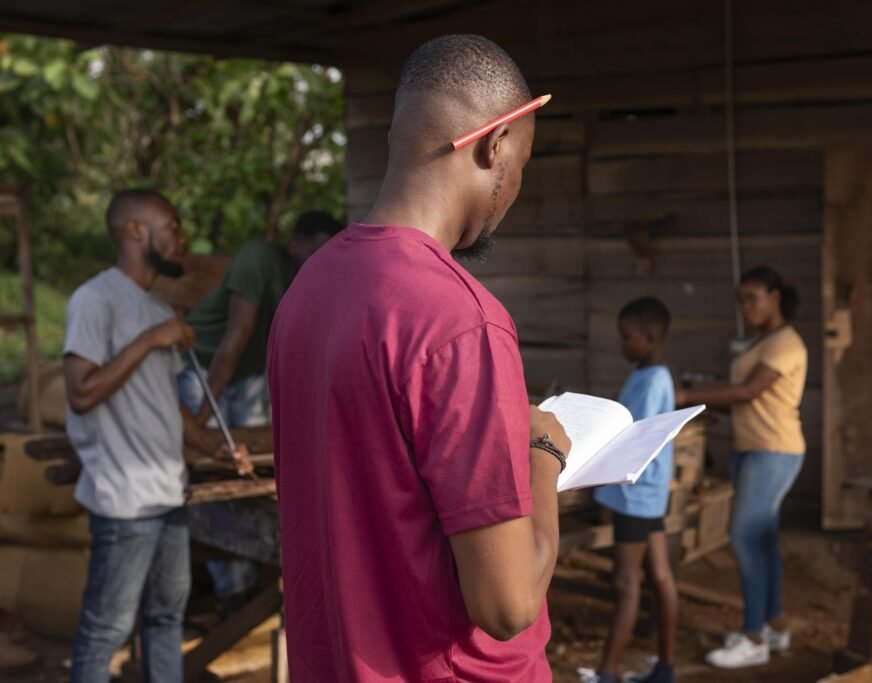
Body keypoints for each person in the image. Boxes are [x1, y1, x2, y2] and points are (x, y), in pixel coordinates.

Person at [268, 34, 572, 681]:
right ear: (495, 146)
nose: (515, 187)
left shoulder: (307, 291)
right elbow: (507, 602)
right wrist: (543, 456)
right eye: (523, 162)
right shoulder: (463, 320)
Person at [63, 189, 252, 683]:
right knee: (105, 631)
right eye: (172, 226)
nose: (182, 239)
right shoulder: (95, 300)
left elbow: (165, 407)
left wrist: (218, 448)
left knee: (167, 619)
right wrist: (151, 341)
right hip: (124, 503)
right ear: (135, 232)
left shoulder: (154, 310)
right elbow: (81, 393)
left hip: (169, 493)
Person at [179, 210, 343, 612]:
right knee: (208, 465)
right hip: (201, 366)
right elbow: (236, 337)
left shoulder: (318, 279)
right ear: (294, 247)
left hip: (248, 375)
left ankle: (251, 583)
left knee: (249, 469)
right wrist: (202, 415)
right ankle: (230, 592)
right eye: (318, 250)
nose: (325, 259)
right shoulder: (257, 257)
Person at [676, 266, 807, 669]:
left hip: (773, 452)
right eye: (741, 300)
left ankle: (753, 639)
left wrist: (687, 395)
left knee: (744, 537)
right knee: (763, 540)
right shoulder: (762, 341)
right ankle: (773, 627)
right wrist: (713, 409)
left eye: (753, 298)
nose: (746, 307)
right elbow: (751, 403)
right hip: (751, 448)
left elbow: (749, 390)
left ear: (775, 296)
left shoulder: (786, 343)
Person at [583, 297, 679, 683]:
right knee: (660, 576)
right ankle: (665, 669)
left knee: (626, 584)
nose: (623, 344)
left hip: (634, 496)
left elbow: (633, 439)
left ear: (651, 337)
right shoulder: (650, 374)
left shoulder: (653, 380)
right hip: (649, 495)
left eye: (628, 337)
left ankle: (606, 673)